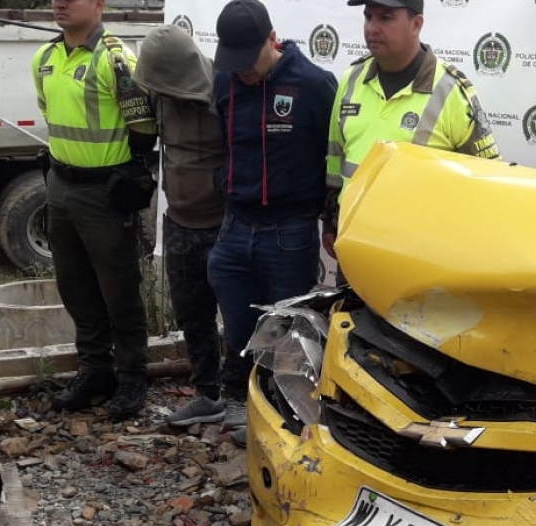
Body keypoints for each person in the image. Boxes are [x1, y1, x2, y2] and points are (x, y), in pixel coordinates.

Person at [166, 0, 338, 426]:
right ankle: (247, 406)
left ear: (271, 39)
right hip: (235, 226)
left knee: (286, 334)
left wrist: (330, 215)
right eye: (234, 60)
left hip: (289, 231)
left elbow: (335, 157)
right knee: (242, 330)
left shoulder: (314, 84)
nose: (242, 70)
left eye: (249, 59)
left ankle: (285, 418)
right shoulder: (224, 82)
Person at [32, 0, 157, 419]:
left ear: (99, 4)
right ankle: (95, 370)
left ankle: (133, 376)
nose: (60, 3)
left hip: (103, 193)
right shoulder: (44, 58)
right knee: (74, 285)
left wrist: (127, 176)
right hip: (60, 187)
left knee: (118, 287)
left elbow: (143, 128)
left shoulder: (116, 60)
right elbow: (50, 114)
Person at [323, 0, 500, 258]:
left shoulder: (450, 91)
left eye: (385, 18)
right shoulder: (352, 79)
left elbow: (487, 179)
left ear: (416, 24)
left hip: (418, 256)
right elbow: (336, 156)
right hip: (355, 245)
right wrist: (330, 218)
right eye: (368, 16)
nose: (372, 28)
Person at [132, 25, 232, 426]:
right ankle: (207, 393)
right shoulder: (158, 97)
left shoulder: (224, 90)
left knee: (241, 320)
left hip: (224, 225)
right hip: (180, 224)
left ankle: (246, 398)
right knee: (193, 315)